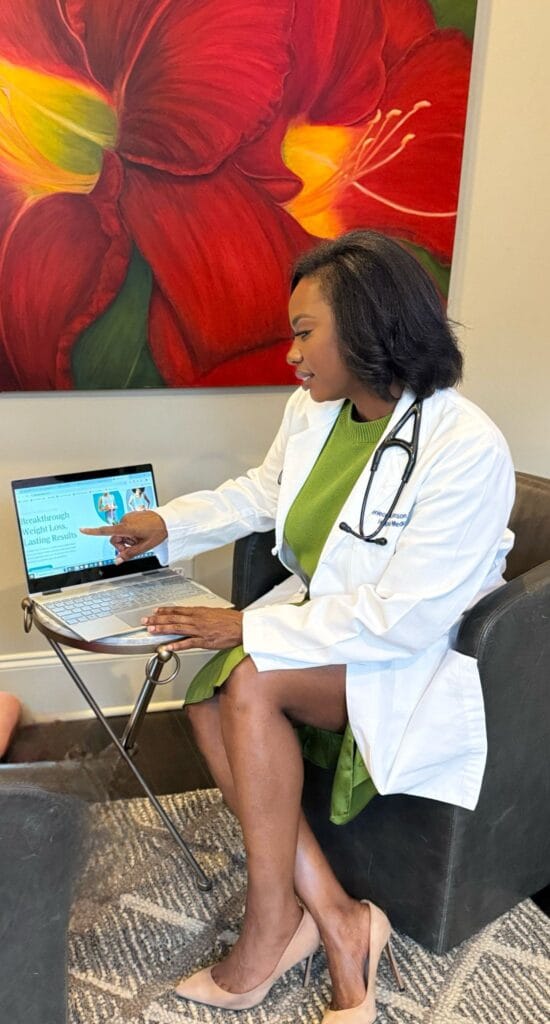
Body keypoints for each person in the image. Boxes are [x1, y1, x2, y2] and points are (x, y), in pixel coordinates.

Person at [81, 231, 515, 1022]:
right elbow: (262, 493)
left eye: (304, 331)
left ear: (367, 326)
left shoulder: (465, 447)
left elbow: (406, 618)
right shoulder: (316, 411)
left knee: (244, 683)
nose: (290, 354)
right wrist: (166, 526)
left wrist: (247, 631)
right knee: (206, 694)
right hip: (326, 623)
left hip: (405, 652)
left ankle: (270, 928)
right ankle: (332, 918)